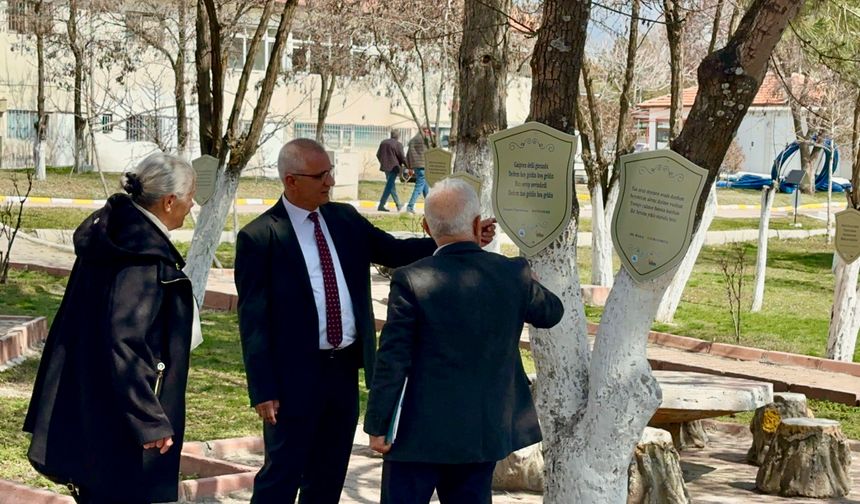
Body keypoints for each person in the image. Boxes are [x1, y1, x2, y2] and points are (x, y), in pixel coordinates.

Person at [234, 138, 496, 504]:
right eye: (320, 175)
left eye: (330, 172)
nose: (330, 181)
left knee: (327, 477)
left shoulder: (344, 219)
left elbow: (395, 251)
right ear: (291, 181)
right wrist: (263, 388)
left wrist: (458, 240)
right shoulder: (260, 237)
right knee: (281, 475)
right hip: (293, 377)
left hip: (343, 370)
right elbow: (253, 319)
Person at [364, 178, 564, 504]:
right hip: (482, 431)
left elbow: (393, 357)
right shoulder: (512, 274)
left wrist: (378, 423)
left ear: (426, 226)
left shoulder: (411, 279)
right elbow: (552, 312)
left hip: (418, 435)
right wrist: (531, 281)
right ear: (476, 223)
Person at [23, 152, 199, 504]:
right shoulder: (139, 256)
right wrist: (149, 419)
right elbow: (124, 343)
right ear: (168, 202)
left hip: (95, 406)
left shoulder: (116, 236)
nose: (192, 205)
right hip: (121, 427)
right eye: (190, 197)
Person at [376, 130, 406, 212]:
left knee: (391, 186)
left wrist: (383, 162)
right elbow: (402, 157)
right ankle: (381, 205)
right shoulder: (398, 144)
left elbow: (378, 154)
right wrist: (408, 165)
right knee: (389, 186)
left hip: (386, 168)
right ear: (398, 136)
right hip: (394, 168)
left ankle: (398, 204)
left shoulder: (383, 142)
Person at [405, 130, 429, 214]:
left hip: (416, 166)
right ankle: (410, 206)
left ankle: (429, 207)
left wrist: (409, 167)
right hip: (424, 165)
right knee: (419, 186)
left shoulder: (413, 140)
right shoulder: (425, 139)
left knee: (425, 187)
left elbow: (408, 154)